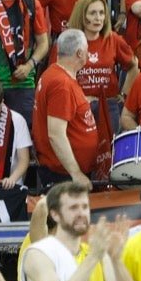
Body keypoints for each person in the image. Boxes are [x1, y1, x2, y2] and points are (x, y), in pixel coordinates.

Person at [33, 29, 103, 186]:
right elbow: (56, 134)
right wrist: (76, 173)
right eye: (87, 50)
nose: (88, 54)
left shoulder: (54, 74)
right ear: (79, 53)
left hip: (63, 172)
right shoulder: (62, 84)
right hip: (64, 176)